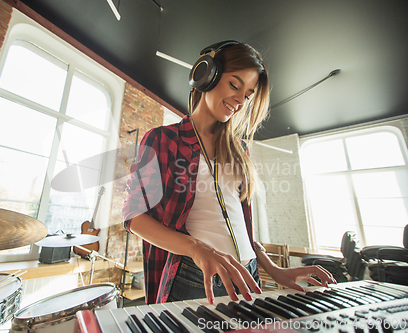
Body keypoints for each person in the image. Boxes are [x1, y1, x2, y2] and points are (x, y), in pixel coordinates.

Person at [122, 41, 335, 305]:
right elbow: (133, 216)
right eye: (235, 85)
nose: (240, 101)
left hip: (249, 276)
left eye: (247, 95)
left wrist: (274, 270)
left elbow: (238, 225)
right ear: (206, 76)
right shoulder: (163, 139)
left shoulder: (239, 149)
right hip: (197, 277)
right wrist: (196, 248)